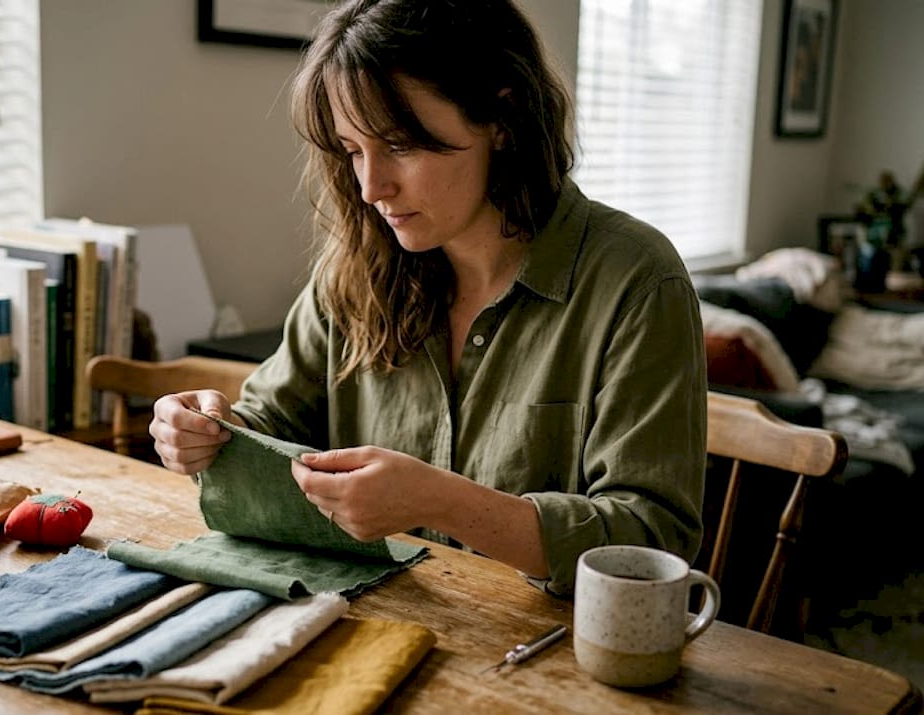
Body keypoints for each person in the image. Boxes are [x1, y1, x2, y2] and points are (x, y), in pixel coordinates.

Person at [149, 0, 706, 595]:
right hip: (370, 623)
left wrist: (444, 503)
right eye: (353, 150)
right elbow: (272, 422)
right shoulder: (353, 270)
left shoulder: (637, 281)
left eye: (400, 145)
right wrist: (207, 429)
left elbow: (650, 540)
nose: (370, 187)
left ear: (502, 115)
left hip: (550, 658)